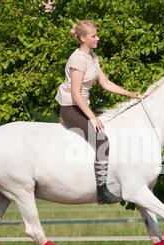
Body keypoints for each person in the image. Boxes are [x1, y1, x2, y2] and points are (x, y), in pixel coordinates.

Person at [55, 20, 140, 204]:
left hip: (82, 106)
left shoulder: (92, 56)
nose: (97, 38)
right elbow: (76, 94)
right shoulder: (77, 59)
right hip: (71, 108)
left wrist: (130, 94)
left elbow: (105, 83)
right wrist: (92, 117)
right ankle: (102, 191)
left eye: (96, 35)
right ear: (83, 38)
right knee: (102, 141)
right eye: (94, 36)